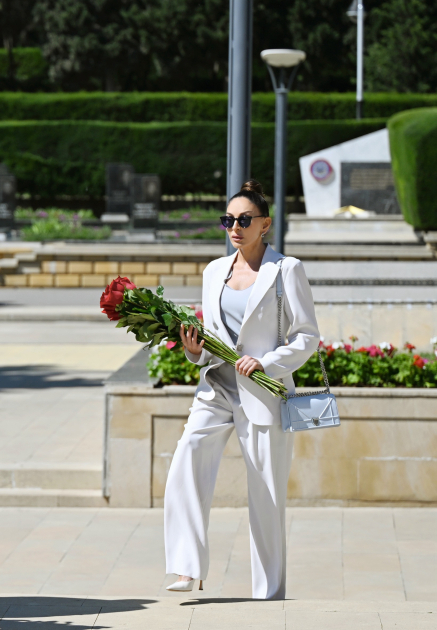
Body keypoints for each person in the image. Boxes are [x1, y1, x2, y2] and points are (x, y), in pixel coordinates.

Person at [164, 180, 319, 600]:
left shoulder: (286, 269)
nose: (235, 226)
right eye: (228, 219)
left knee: (266, 495)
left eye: (244, 220)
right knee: (186, 460)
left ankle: (268, 592)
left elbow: (307, 336)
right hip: (216, 388)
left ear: (265, 224)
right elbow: (213, 338)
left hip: (263, 395)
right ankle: (187, 567)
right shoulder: (213, 271)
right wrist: (194, 351)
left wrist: (267, 363)